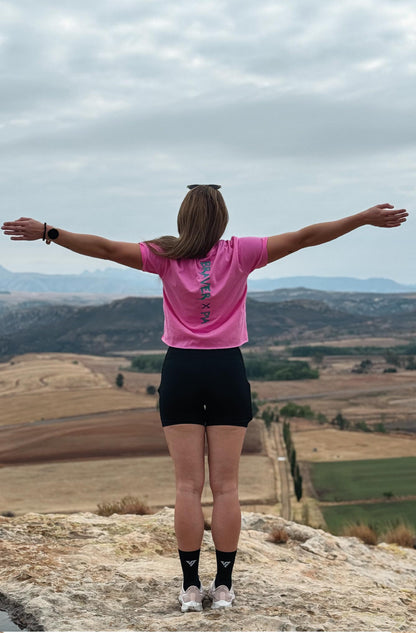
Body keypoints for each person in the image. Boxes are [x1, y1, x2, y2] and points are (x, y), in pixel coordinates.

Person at [1, 187, 408, 612]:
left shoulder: (164, 255)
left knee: (187, 486)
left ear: (183, 218)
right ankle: (225, 587)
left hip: (180, 371)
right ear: (222, 220)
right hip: (226, 371)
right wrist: (361, 218)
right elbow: (307, 236)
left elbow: (104, 248)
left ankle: (192, 588)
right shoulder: (242, 253)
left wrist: (49, 232)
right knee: (227, 486)